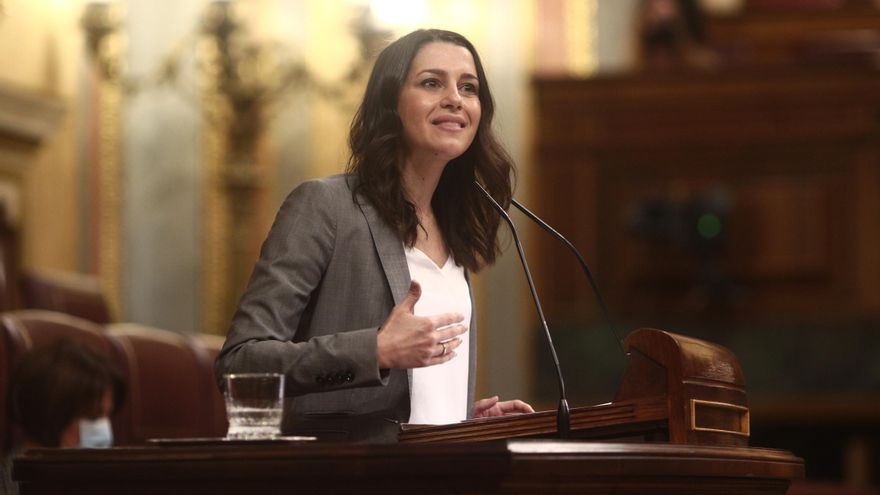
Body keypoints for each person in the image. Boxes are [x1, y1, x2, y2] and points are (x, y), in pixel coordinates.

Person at [215, 28, 533, 442]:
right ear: (390, 104)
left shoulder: (452, 230)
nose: (455, 97)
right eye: (431, 82)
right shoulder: (325, 206)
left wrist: (457, 420)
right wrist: (376, 351)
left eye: (468, 87)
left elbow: (403, 404)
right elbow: (240, 364)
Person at [2, 340, 125, 495]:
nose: (104, 428)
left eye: (108, 415)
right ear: (50, 412)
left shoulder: (100, 480)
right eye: (93, 417)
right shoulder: (8, 485)